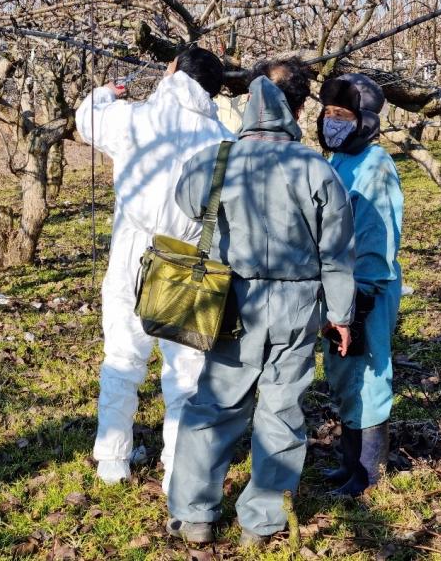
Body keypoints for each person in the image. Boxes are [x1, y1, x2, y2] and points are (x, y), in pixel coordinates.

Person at [165, 58, 356, 546]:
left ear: (248, 107)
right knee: (282, 409)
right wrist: (340, 315)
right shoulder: (315, 168)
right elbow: (336, 253)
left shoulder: (216, 159)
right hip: (297, 303)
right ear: (294, 110)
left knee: (213, 405)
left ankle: (195, 516)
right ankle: (262, 521)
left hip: (233, 299)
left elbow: (187, 206)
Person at [75, 47, 235, 491]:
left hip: (133, 251)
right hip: (191, 261)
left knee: (123, 358)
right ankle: (174, 471)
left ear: (172, 73)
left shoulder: (135, 120)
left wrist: (105, 92)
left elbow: (86, 119)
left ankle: (112, 460)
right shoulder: (225, 141)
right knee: (186, 373)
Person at [318, 74, 404, 497]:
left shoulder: (375, 165)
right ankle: (350, 462)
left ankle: (369, 472)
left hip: (366, 287)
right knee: (344, 373)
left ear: (364, 120)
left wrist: (363, 294)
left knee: (368, 375)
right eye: (329, 113)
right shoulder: (338, 161)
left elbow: (377, 233)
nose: (332, 122)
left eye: (342, 115)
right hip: (341, 289)